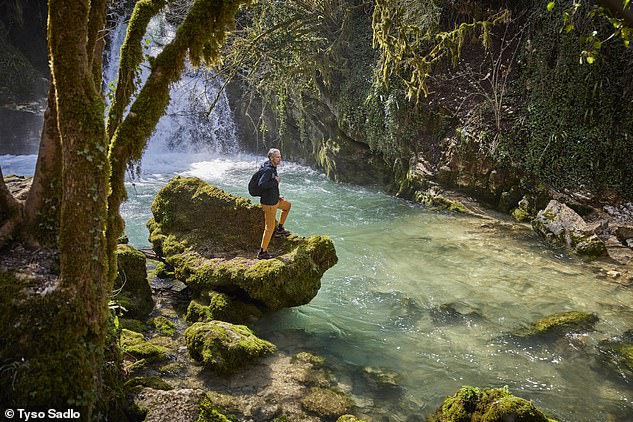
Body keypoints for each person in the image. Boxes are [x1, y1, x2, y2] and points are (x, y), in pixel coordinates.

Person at [257, 148, 292, 259]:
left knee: (287, 206)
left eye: (280, 156)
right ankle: (262, 252)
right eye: (277, 157)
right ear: (272, 158)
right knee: (269, 227)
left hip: (275, 199)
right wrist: (275, 181)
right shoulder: (268, 170)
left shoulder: (272, 167)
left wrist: (278, 196)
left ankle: (280, 229)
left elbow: (271, 186)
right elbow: (261, 185)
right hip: (269, 203)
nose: (279, 158)